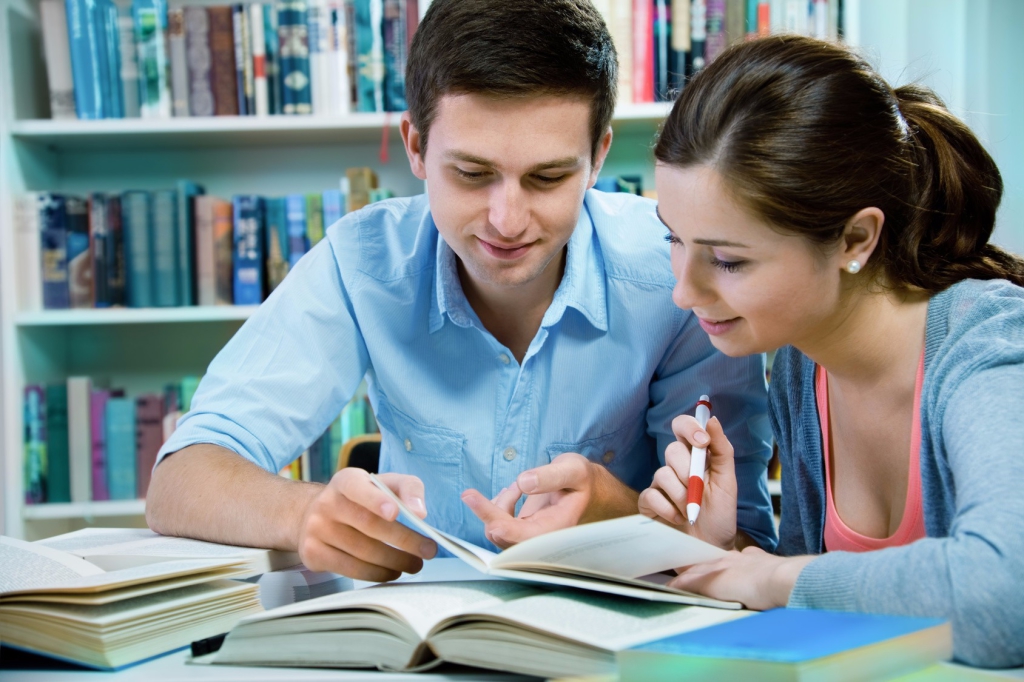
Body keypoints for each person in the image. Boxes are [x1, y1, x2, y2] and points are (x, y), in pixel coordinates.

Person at [146, 0, 775, 583]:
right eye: (472, 174)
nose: (508, 219)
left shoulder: (678, 278)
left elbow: (748, 548)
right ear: (416, 147)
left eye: (549, 177)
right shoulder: (362, 264)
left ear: (598, 157)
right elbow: (181, 480)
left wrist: (622, 513)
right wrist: (302, 512)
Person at [639, 34, 1024, 667]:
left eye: (729, 261)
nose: (684, 291)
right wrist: (721, 553)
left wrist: (772, 578)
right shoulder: (802, 366)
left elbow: (1005, 599)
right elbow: (828, 610)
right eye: (674, 239)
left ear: (855, 238)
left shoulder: (989, 344)